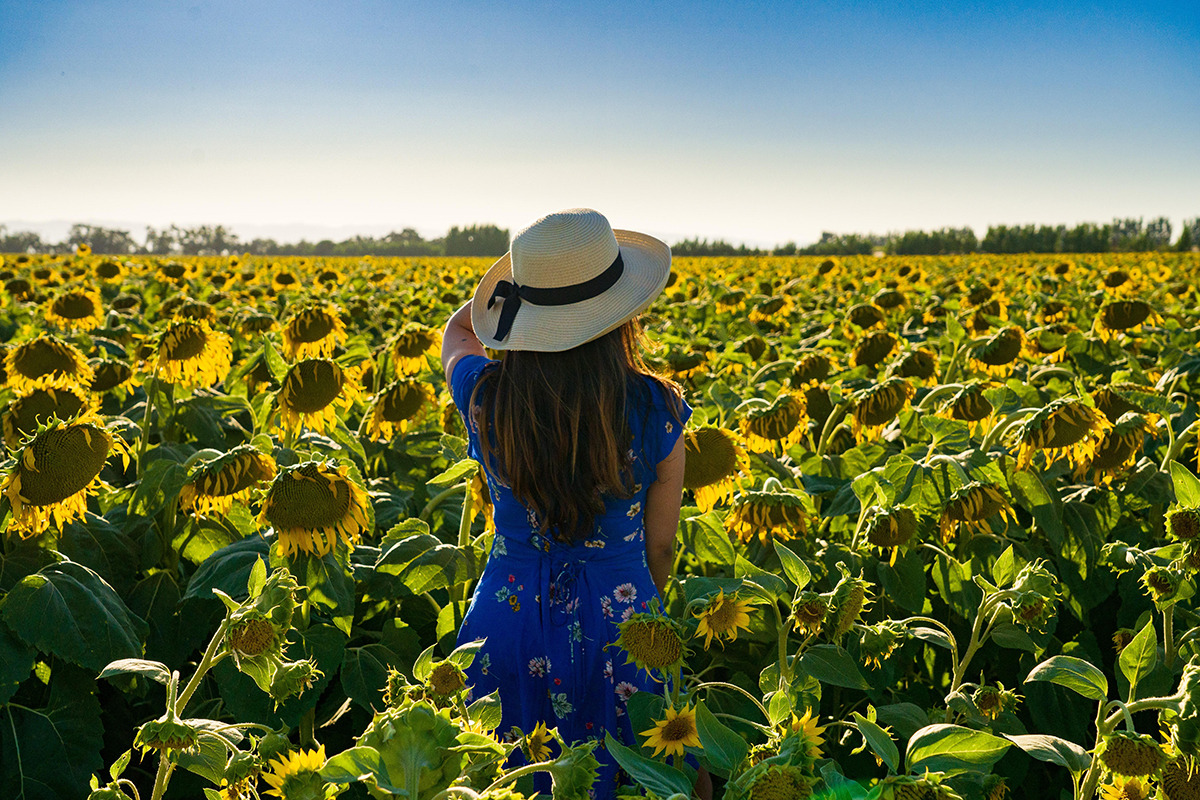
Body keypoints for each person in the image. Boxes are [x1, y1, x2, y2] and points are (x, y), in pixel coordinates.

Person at [441, 208, 710, 799]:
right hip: (622, 617)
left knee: (501, 775)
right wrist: (648, 606)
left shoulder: (487, 399)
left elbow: (458, 335)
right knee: (649, 773)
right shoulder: (657, 409)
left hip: (506, 618)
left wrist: (500, 301)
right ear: (623, 317)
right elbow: (660, 544)